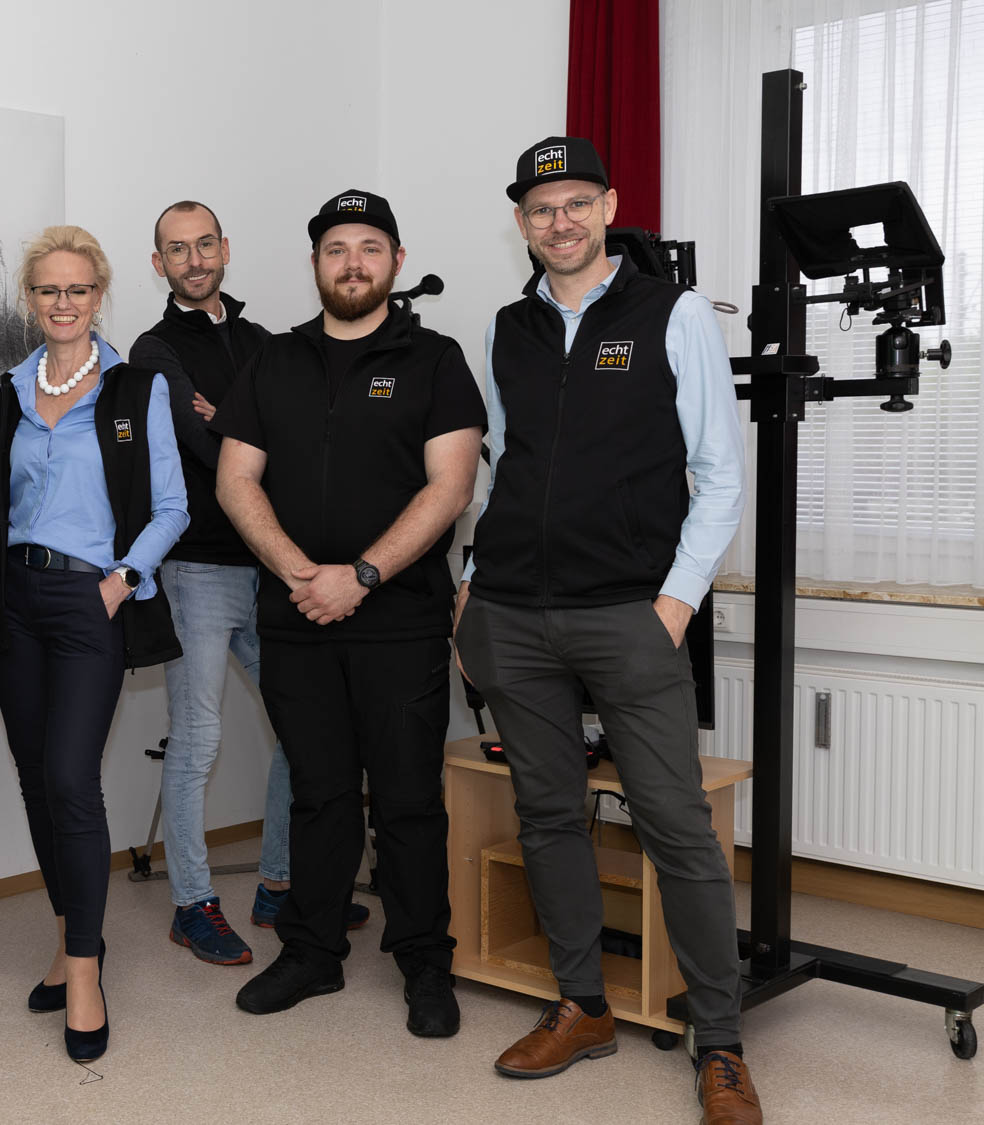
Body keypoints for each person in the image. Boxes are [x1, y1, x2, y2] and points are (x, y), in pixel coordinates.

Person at [454, 137, 756, 1125]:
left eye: (577, 202)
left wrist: (673, 604)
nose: (561, 221)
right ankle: (581, 1006)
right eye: (542, 208)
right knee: (547, 816)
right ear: (521, 221)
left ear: (609, 206)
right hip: (512, 613)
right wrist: (471, 580)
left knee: (675, 826)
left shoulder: (671, 313)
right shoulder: (507, 327)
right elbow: (504, 467)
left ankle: (719, 1044)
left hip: (630, 613)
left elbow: (719, 474)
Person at [214, 190, 481, 1037]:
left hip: (399, 619)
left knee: (407, 799)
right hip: (297, 615)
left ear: (396, 261)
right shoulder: (275, 360)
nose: (353, 262)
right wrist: (302, 572)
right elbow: (235, 479)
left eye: (370, 246)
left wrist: (361, 575)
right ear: (316, 264)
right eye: (336, 248)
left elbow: (452, 485)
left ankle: (424, 961)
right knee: (318, 792)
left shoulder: (435, 359)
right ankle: (312, 951)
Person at [0, 225, 189, 1062]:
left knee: (72, 779)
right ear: (30, 300)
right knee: (36, 779)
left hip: (87, 600)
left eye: (78, 289)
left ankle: (88, 971)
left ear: (99, 295)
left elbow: (172, 505)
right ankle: (67, 940)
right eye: (48, 290)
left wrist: (122, 579)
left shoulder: (136, 389)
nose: (63, 303)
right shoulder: (10, 391)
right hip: (14, 600)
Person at [129, 200, 345, 966]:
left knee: (301, 727)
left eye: (204, 244)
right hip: (195, 568)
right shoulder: (154, 350)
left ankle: (278, 883)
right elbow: (202, 441)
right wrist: (244, 427)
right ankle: (192, 903)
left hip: (269, 563)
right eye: (177, 249)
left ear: (225, 248)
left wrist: (239, 424)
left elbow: (308, 436)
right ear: (159, 263)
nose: (194, 259)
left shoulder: (263, 342)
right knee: (198, 740)